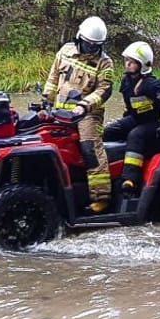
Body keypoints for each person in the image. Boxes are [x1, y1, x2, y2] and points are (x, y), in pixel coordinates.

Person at [43, 16, 115, 212]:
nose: (91, 49)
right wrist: (46, 101)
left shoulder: (105, 63)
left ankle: (101, 197)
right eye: (88, 45)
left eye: (95, 46)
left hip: (88, 114)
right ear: (79, 37)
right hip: (60, 110)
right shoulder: (66, 50)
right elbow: (53, 77)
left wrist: (84, 106)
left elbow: (104, 91)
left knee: (90, 148)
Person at [103, 41, 160, 197]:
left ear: (143, 64)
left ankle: (130, 180)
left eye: (132, 62)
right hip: (137, 118)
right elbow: (131, 107)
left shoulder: (152, 85)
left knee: (136, 135)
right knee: (109, 131)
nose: (127, 64)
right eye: (126, 60)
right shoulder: (126, 82)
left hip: (155, 123)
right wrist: (124, 121)